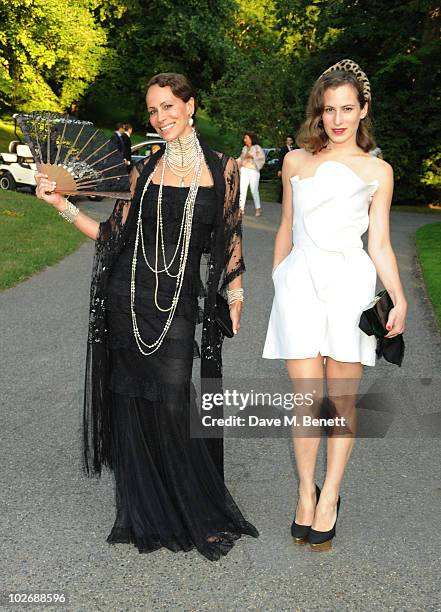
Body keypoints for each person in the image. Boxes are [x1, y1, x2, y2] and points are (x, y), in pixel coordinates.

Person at [35, 72, 258, 561]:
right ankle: (148, 510)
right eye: (153, 110)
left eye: (168, 106)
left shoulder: (224, 170)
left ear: (190, 104)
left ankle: (189, 506)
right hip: (128, 297)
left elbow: (230, 233)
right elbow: (112, 237)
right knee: (134, 402)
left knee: (175, 397)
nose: (161, 117)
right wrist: (61, 205)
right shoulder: (145, 170)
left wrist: (236, 291)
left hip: (178, 303)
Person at [263, 59, 407, 550]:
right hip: (300, 283)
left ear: (364, 110)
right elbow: (284, 228)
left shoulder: (378, 171)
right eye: (330, 109)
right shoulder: (294, 162)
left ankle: (331, 497)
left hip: (350, 285)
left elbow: (380, 243)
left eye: (348, 108)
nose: (338, 118)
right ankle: (306, 493)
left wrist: (400, 298)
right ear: (319, 113)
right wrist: (280, 278)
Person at [236, 132, 265, 216]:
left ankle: (258, 208)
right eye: (244, 138)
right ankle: (241, 209)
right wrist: (235, 162)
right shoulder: (244, 148)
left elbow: (261, 158)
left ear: (251, 139)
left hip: (253, 171)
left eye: (246, 138)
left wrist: (252, 156)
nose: (245, 140)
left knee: (254, 190)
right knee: (242, 190)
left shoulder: (257, 148)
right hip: (244, 170)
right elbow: (240, 158)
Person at [277, 135, 295, 203]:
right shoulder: (283, 149)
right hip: (284, 168)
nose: (288, 141)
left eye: (290, 140)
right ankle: (281, 199)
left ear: (292, 141)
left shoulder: (294, 149)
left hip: (292, 168)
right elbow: (280, 159)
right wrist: (279, 170)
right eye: (287, 140)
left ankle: (290, 198)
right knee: (283, 183)